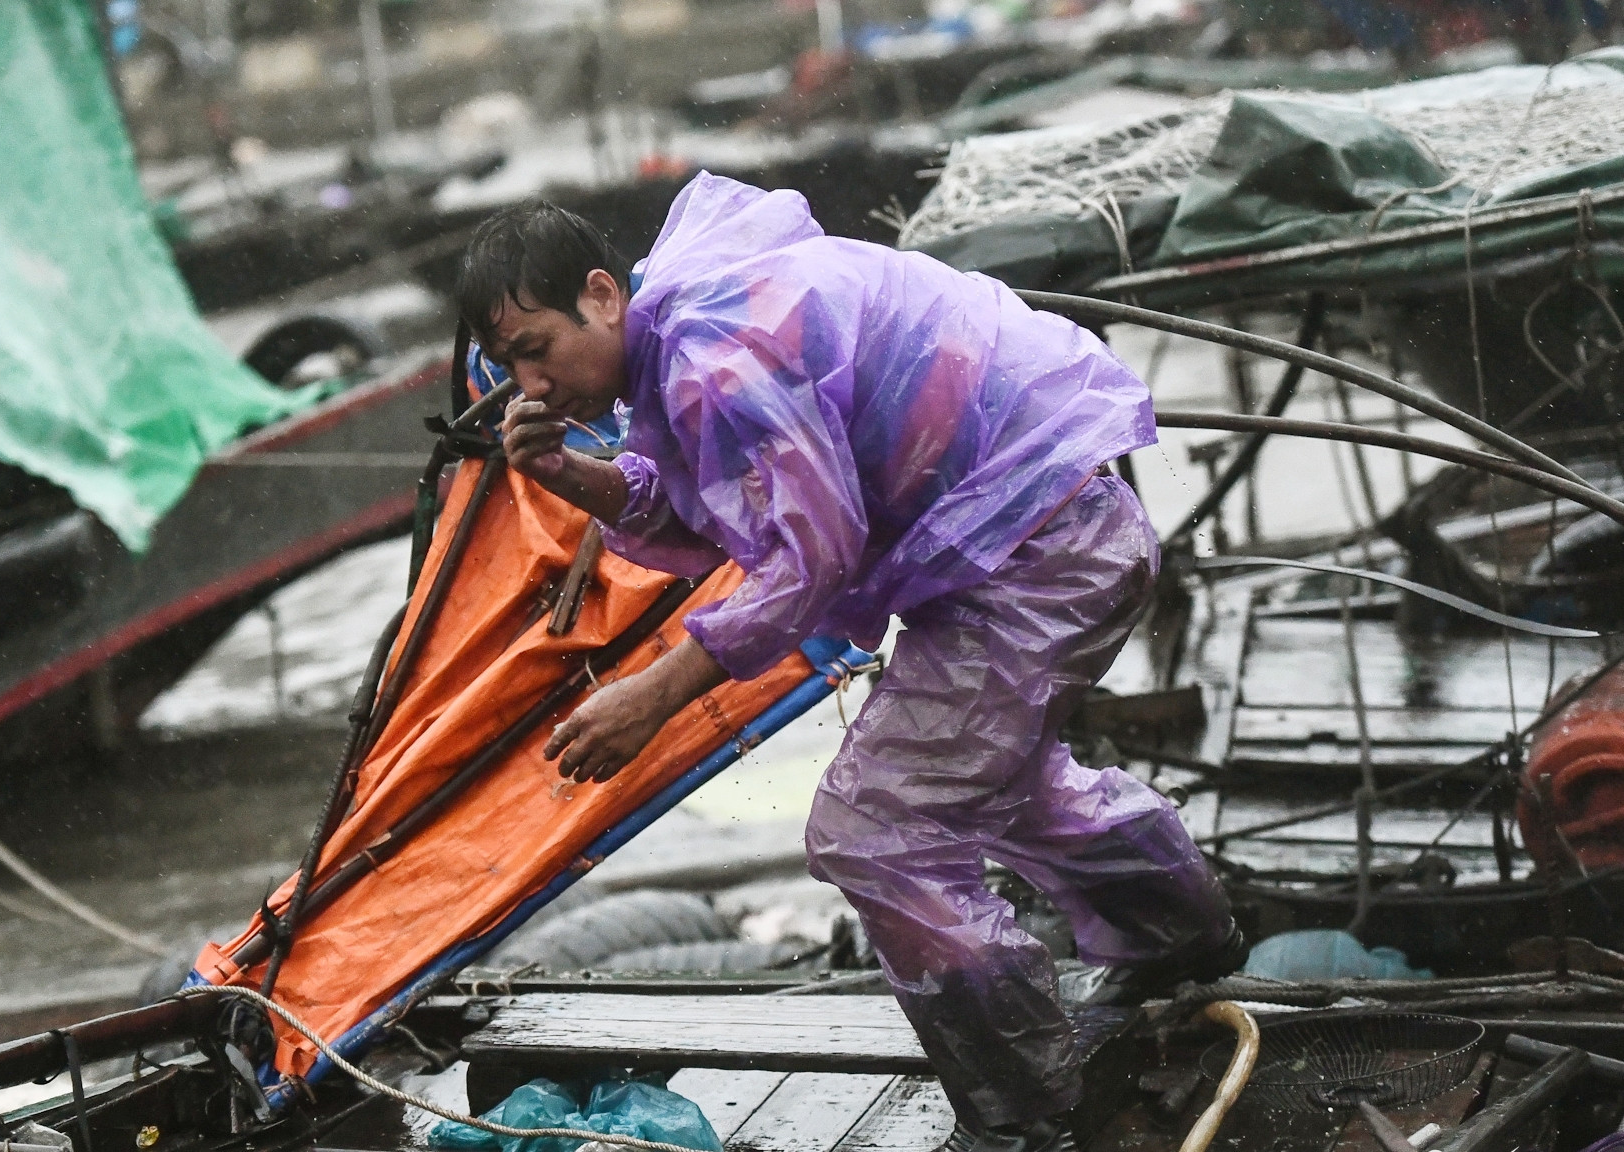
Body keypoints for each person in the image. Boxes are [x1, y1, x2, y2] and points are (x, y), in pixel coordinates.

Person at [457, 173, 1244, 1152]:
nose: (530, 386)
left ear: (602, 295)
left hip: (1041, 542)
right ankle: (1183, 937)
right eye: (509, 368)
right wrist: (571, 474)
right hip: (1016, 539)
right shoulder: (683, 325)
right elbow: (711, 499)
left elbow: (810, 554)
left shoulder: (715, 349)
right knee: (1002, 785)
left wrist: (653, 696)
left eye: (535, 351)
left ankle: (1025, 1114)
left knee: (873, 828)